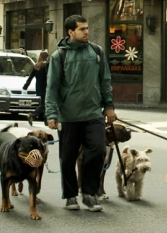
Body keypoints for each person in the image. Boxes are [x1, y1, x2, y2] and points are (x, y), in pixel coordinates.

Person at [45, 15, 116, 212]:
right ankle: (70, 196)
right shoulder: (59, 56)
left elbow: (105, 81)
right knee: (67, 158)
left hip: (93, 113)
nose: (86, 32)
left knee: (98, 151)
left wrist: (109, 105)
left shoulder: (96, 51)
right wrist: (51, 114)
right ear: (70, 32)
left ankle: (89, 193)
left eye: (87, 28)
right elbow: (52, 88)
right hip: (69, 116)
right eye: (82, 29)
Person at [24, 51, 49, 126]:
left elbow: (31, 77)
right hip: (46, 87)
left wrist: (26, 86)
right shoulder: (46, 65)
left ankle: (46, 120)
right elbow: (49, 77)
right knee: (44, 105)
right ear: (46, 57)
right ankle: (32, 115)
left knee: (44, 103)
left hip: (39, 87)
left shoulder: (36, 66)